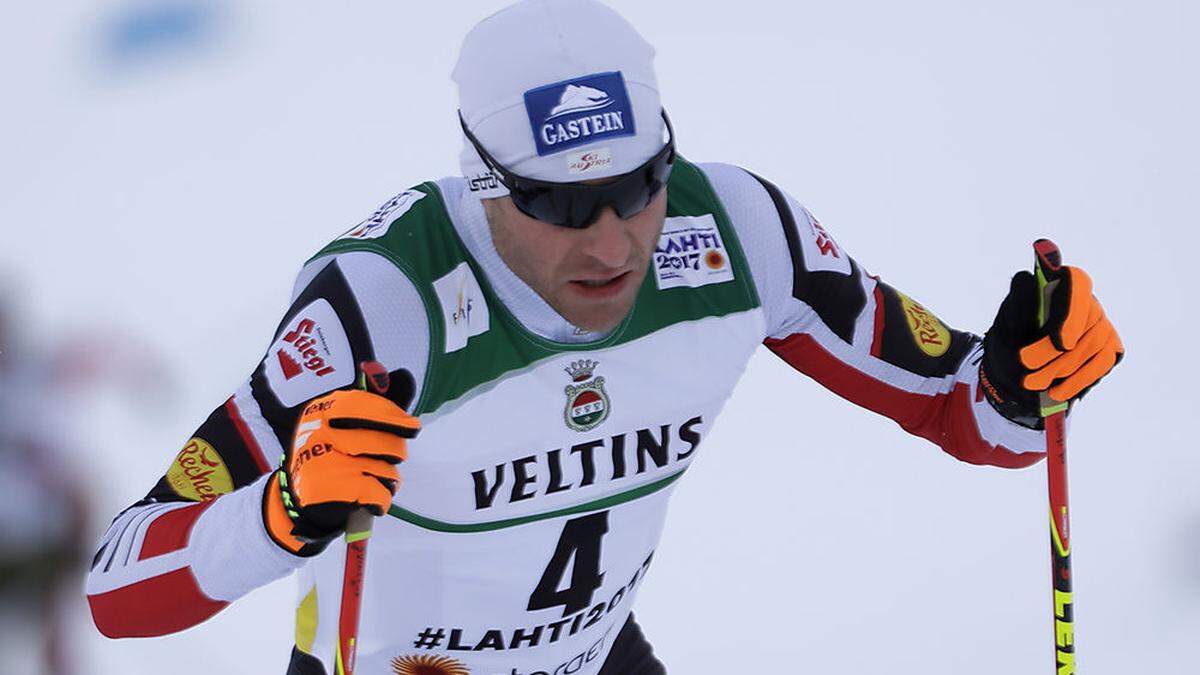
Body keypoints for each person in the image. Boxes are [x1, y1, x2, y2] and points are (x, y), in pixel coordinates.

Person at [84, 1, 1124, 673]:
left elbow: (977, 418)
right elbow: (116, 590)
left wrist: (1032, 371)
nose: (614, 240)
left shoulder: (738, 232)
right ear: (483, 187)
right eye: (562, 205)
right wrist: (277, 514)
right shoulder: (380, 303)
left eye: (637, 189)